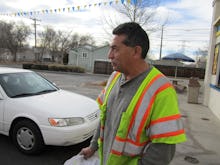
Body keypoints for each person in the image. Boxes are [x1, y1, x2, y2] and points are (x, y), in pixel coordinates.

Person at [80, 22, 186, 165]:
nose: (109, 55)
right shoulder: (114, 77)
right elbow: (104, 118)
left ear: (136, 51)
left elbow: (162, 152)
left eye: (115, 49)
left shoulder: (162, 90)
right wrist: (93, 146)